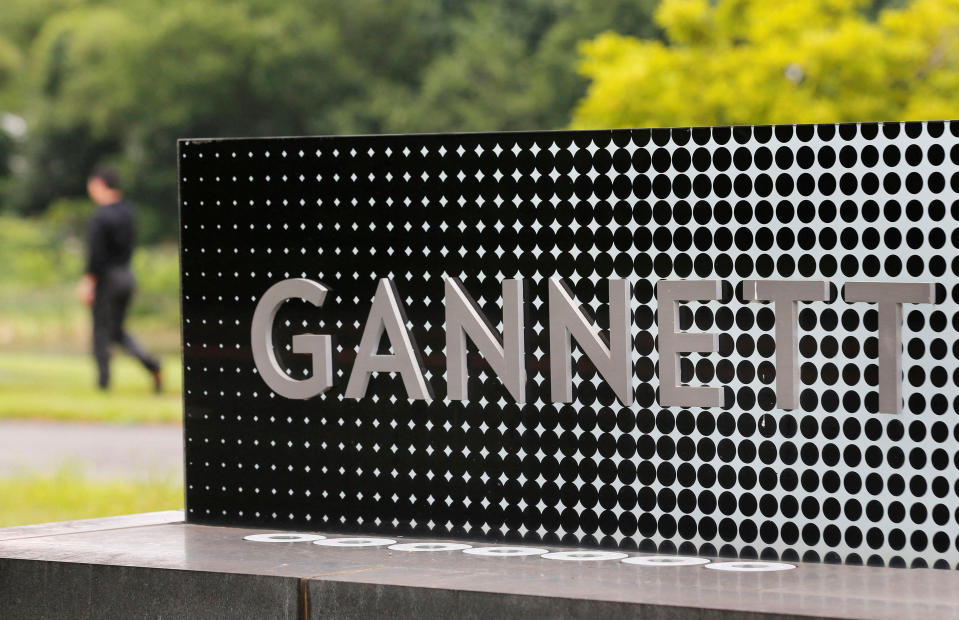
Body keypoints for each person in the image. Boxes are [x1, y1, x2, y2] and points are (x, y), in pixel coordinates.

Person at [76, 167, 162, 393]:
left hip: (107, 279)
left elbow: (96, 255)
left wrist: (88, 282)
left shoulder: (100, 216)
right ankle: (152, 364)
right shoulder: (128, 212)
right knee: (116, 331)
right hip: (127, 276)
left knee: (100, 333)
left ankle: (103, 385)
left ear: (100, 185)